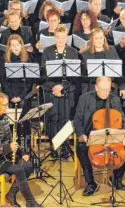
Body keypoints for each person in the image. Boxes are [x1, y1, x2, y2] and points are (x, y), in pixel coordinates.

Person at [74, 77, 125, 195]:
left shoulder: (115, 100)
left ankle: (117, 179)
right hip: (91, 136)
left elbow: (123, 121)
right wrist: (81, 135)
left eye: (107, 90)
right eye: (102, 90)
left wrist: (122, 135)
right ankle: (90, 182)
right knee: (80, 148)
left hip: (111, 137)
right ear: (96, 87)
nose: (105, 93)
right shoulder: (84, 99)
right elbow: (77, 120)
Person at [0, 92, 40, 207]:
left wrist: (22, 153)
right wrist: (8, 147)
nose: (7, 107)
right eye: (4, 105)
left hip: (4, 156)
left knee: (28, 165)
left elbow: (10, 140)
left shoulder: (4, 118)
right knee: (19, 169)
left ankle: (11, 194)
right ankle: (30, 202)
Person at [41, 25, 78, 159]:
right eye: (58, 37)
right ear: (54, 37)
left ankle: (64, 147)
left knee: (65, 118)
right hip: (50, 90)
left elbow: (75, 74)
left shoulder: (73, 52)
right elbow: (44, 73)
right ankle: (54, 146)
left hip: (67, 90)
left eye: (63, 37)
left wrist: (62, 86)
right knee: (53, 119)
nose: (61, 40)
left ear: (67, 37)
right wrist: (54, 87)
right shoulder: (47, 51)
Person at [81, 28, 121, 94]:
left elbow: (119, 70)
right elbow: (82, 77)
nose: (99, 40)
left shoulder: (112, 49)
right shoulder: (85, 54)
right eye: (96, 38)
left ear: (104, 39)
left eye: (101, 38)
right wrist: (87, 70)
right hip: (92, 89)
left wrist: (122, 88)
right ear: (92, 40)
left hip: (111, 87)